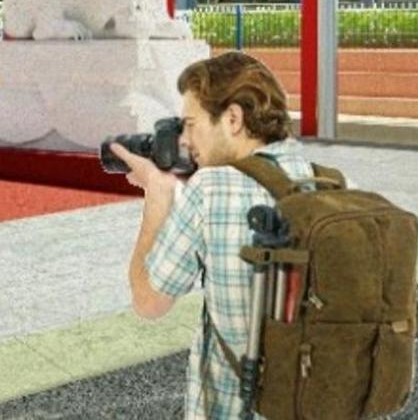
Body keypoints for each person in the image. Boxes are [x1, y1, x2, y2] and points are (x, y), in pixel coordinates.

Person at [111, 51, 311, 420]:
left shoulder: (213, 189)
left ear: (232, 118)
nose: (185, 140)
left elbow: (148, 301)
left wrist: (158, 195)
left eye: (190, 124)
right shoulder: (322, 179)